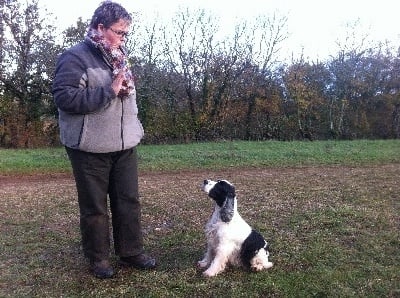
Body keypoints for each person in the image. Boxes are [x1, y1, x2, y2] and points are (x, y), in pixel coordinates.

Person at [52, 1, 156, 279]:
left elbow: (127, 98)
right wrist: (108, 91)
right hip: (89, 148)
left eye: (126, 34)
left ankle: (131, 251)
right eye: (120, 32)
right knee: (94, 207)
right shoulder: (74, 58)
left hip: (124, 144)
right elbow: (64, 98)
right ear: (100, 27)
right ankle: (98, 259)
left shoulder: (118, 55)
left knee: (128, 201)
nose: (123, 38)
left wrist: (136, 126)